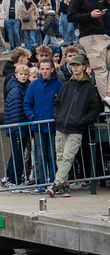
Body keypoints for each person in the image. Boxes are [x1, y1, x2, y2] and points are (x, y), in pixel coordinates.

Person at [46, 53, 102, 197]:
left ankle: (56, 184)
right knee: (60, 157)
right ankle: (64, 186)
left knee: (67, 157)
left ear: (84, 67)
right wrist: (58, 117)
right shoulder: (66, 85)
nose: (75, 67)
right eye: (73, 65)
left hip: (76, 128)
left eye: (77, 65)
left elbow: (95, 109)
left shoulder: (89, 88)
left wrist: (83, 121)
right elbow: (57, 103)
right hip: (62, 126)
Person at [24, 57, 64, 192]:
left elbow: (63, 105)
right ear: (39, 69)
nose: (45, 71)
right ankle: (41, 183)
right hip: (38, 125)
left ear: (52, 69)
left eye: (47, 69)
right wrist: (32, 117)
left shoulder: (59, 85)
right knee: (41, 155)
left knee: (53, 154)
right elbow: (27, 103)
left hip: (53, 126)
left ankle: (53, 182)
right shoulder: (33, 85)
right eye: (42, 69)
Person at [4, 64, 30, 187]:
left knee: (16, 153)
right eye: (21, 74)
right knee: (18, 154)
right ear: (16, 75)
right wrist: (20, 130)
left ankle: (10, 177)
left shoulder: (22, 88)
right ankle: (15, 179)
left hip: (19, 128)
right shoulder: (16, 90)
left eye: (25, 74)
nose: (23, 76)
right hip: (18, 129)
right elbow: (16, 113)